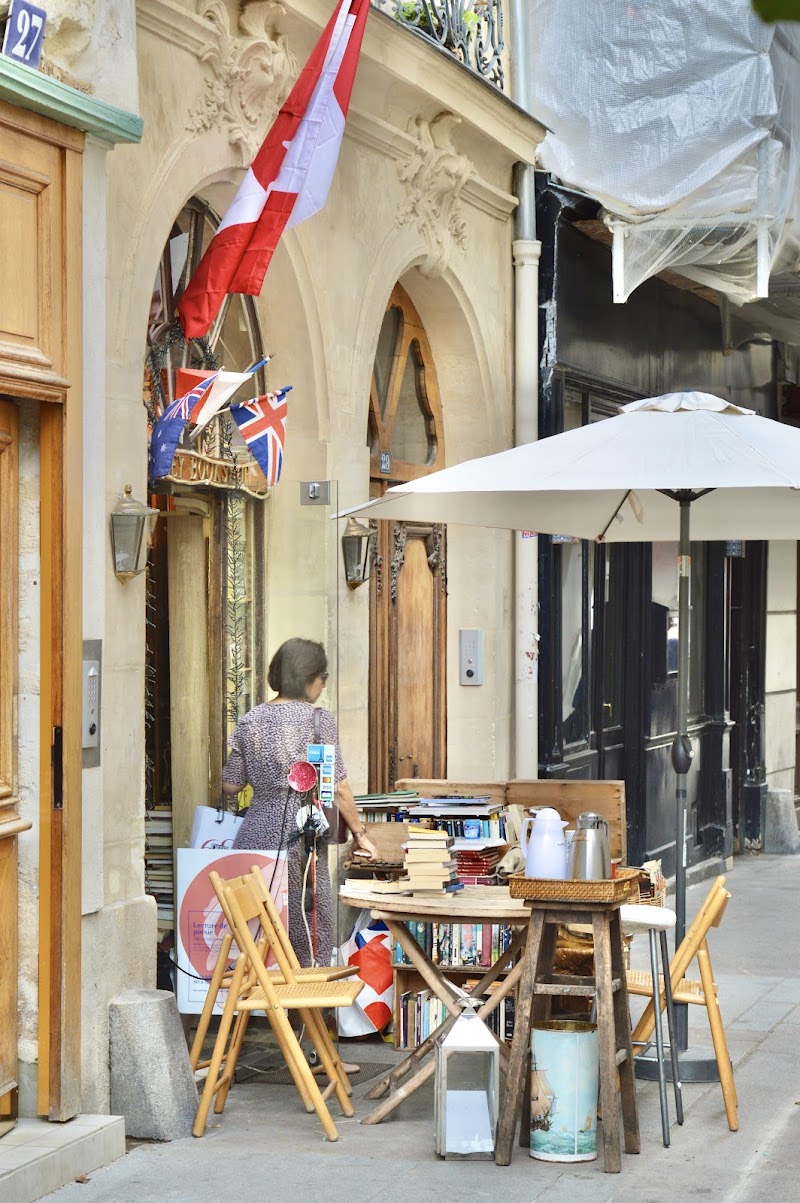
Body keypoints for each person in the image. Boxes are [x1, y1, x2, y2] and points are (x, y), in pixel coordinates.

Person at [221, 637, 378, 969]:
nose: (323, 686)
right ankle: (301, 1008)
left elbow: (230, 783)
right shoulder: (318, 721)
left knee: (258, 924)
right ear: (309, 678)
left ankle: (259, 1004)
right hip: (300, 837)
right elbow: (338, 785)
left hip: (253, 837)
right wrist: (361, 834)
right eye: (323, 677)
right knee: (303, 920)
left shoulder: (251, 719)